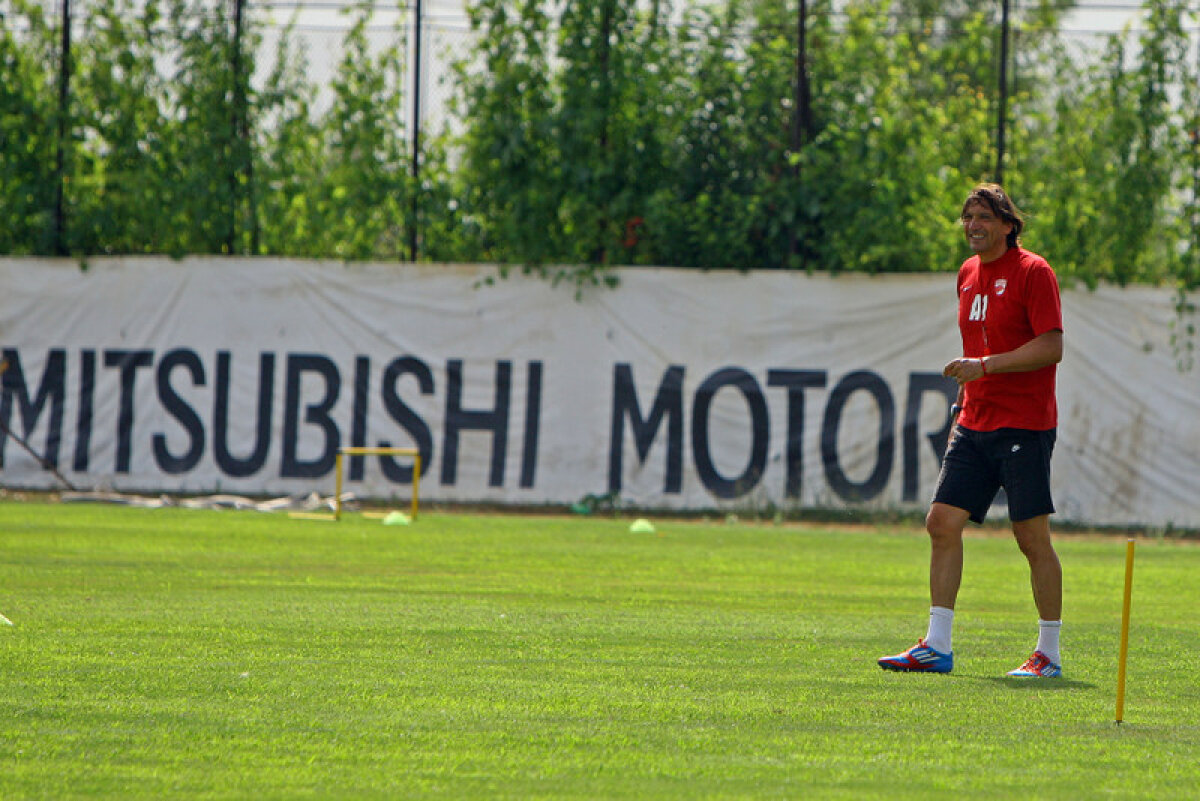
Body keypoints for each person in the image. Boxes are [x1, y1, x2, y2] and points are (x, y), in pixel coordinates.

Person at [878, 183, 1065, 678]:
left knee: (1031, 537)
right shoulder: (965, 274)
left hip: (1025, 422)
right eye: (967, 217)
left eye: (983, 217)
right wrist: (966, 400)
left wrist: (986, 366)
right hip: (975, 421)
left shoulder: (1033, 272)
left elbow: (1051, 347)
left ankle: (1049, 654)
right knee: (940, 522)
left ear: (1008, 224)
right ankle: (937, 646)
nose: (973, 225)